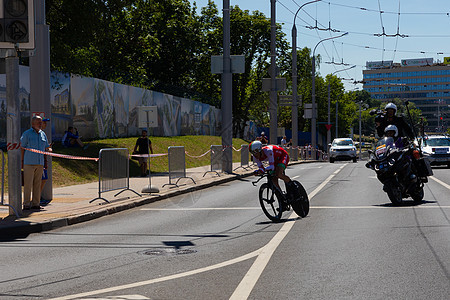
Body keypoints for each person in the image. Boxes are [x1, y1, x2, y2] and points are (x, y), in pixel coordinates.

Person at [249, 140, 295, 208]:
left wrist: (262, 170)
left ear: (260, 150)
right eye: (252, 153)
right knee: (274, 180)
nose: (254, 155)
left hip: (282, 156)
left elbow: (272, 167)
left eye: (255, 153)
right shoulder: (255, 157)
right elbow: (261, 167)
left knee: (278, 174)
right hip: (275, 159)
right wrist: (258, 171)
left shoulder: (268, 151)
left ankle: (292, 185)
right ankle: (282, 198)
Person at [20, 116, 51, 210]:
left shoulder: (43, 134)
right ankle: (26, 204)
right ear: (33, 124)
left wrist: (49, 150)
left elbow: (46, 147)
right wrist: (21, 161)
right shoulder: (27, 134)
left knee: (37, 184)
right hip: (29, 162)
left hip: (40, 163)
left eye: (41, 122)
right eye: (38, 122)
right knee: (28, 184)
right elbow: (22, 148)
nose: (40, 124)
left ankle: (36, 203)